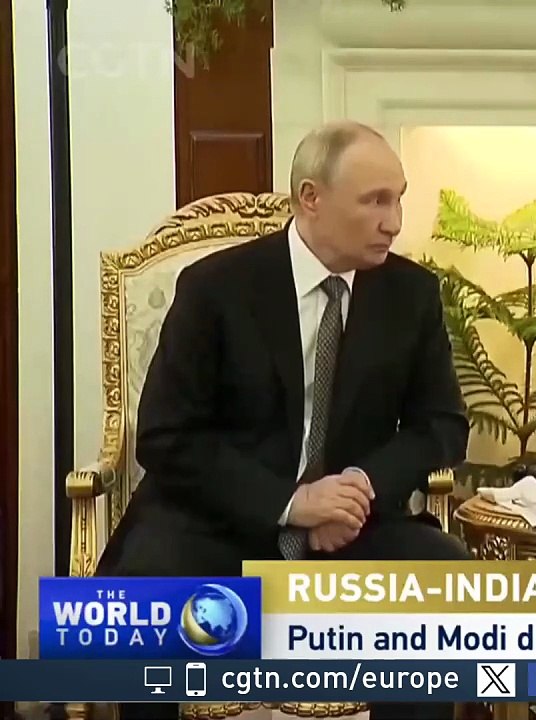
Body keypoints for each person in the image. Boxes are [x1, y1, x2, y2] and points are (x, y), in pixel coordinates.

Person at [97, 121, 472, 720]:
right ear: (310, 198)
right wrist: (293, 505)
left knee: (441, 579)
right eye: (375, 201)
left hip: (353, 527)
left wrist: (356, 492)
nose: (394, 222)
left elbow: (442, 424)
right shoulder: (216, 287)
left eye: (398, 199)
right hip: (218, 522)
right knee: (147, 594)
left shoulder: (411, 294)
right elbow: (166, 437)